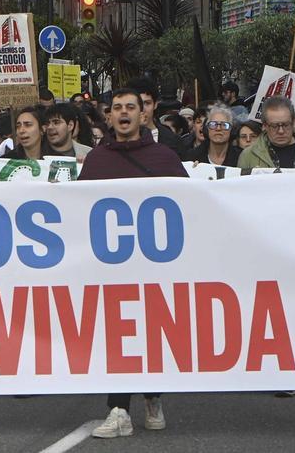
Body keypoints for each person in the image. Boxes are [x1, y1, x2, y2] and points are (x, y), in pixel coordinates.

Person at [79, 88, 186, 439]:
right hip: (111, 269)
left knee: (150, 334)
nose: (123, 113)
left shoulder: (165, 158)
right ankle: (119, 408)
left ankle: (153, 397)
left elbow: (192, 206)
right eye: (117, 108)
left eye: (130, 108)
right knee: (118, 336)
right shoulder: (96, 161)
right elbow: (76, 210)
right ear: (109, 116)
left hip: (156, 268)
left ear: (143, 115)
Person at [238, 97, 295, 170]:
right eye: (274, 126)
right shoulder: (248, 156)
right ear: (265, 126)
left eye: (286, 125)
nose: (281, 131)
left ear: (293, 122)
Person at [127, 78, 188, 156]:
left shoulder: (173, 141)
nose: (142, 109)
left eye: (147, 103)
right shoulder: (117, 139)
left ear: (155, 104)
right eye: (137, 103)